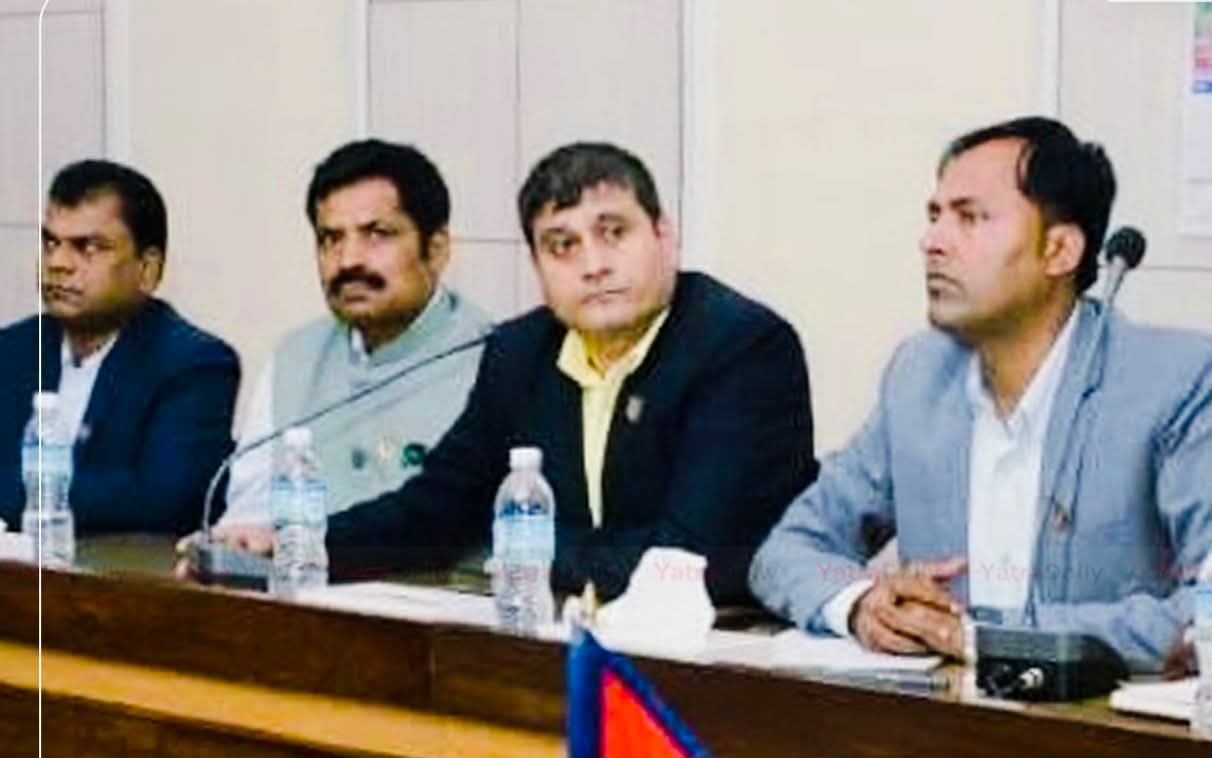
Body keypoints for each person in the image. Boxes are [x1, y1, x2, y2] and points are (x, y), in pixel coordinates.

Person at [748, 117, 1212, 671]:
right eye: (934, 216)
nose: (932, 242)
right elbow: (789, 550)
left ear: (1059, 250)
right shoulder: (919, 376)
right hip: (940, 713)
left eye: (970, 218)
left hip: (1102, 718)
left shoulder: (1182, 381)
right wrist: (861, 603)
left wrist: (987, 636)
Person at [202, 142, 815, 606]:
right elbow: (437, 508)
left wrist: (523, 546)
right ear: (537, 266)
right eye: (562, 245)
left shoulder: (741, 348)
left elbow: (691, 558)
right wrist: (298, 540)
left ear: (665, 236)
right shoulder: (521, 351)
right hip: (557, 635)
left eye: (613, 234)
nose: (594, 265)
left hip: (719, 654)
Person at [217, 140, 492, 526]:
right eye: (331, 239)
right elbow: (249, 513)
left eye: (376, 234)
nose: (348, 261)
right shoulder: (294, 357)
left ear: (436, 250)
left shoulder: (494, 361)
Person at [0, 160, 237, 535]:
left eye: (88, 247)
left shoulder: (193, 365)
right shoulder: (11, 351)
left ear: (147, 270)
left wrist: (24, 489)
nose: (58, 264)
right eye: (50, 243)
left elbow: (163, 501)